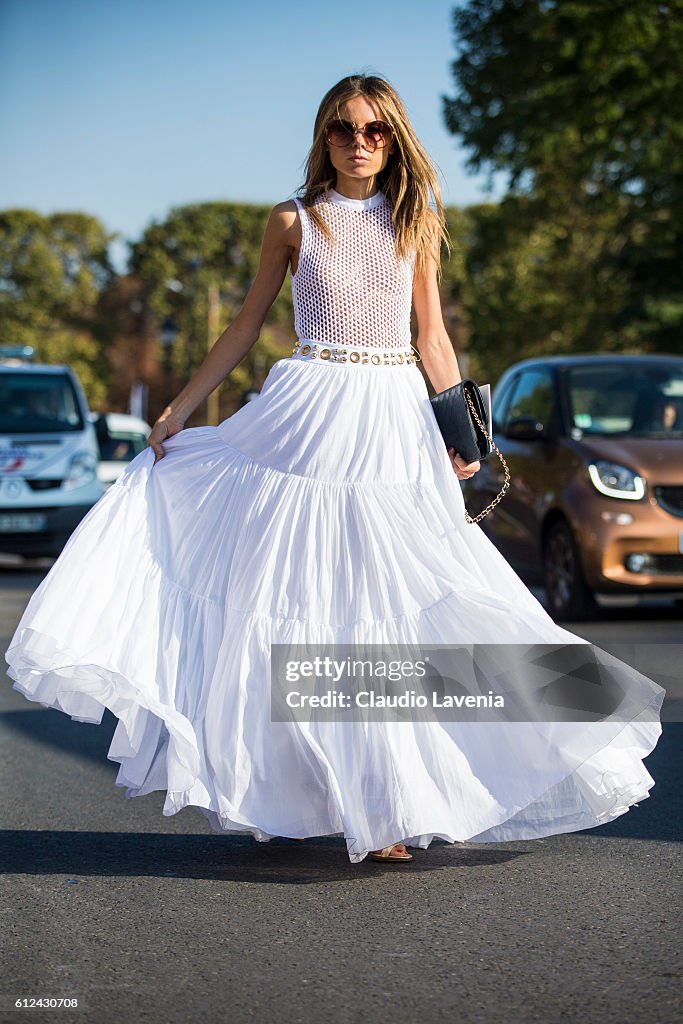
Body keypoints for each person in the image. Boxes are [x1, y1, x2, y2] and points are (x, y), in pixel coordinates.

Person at [5, 73, 665, 866]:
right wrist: (180, 410)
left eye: (375, 130)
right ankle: (286, 797)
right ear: (323, 137)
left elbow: (432, 338)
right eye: (344, 129)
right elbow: (247, 326)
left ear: (394, 140)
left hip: (390, 419)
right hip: (304, 417)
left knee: (405, 601)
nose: (359, 143)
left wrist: (463, 433)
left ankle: (394, 801)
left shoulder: (414, 219)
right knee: (294, 605)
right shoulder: (292, 219)